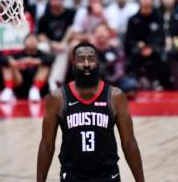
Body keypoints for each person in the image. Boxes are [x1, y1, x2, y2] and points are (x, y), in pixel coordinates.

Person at [36, 42, 145, 182]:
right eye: (81, 59)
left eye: (91, 59)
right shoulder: (58, 98)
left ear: (98, 62)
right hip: (72, 175)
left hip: (107, 176)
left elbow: (129, 143)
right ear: (73, 62)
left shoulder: (115, 96)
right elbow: (46, 145)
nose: (86, 64)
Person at [0, 33, 55, 102]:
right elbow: (2, 59)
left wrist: (34, 61)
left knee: (45, 65)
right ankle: (8, 89)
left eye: (34, 40)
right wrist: (17, 63)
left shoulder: (42, 54)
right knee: (7, 63)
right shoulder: (18, 54)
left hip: (37, 87)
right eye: (29, 40)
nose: (31, 42)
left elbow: (51, 58)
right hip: (19, 83)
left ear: (38, 42)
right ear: (24, 42)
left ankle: (35, 89)